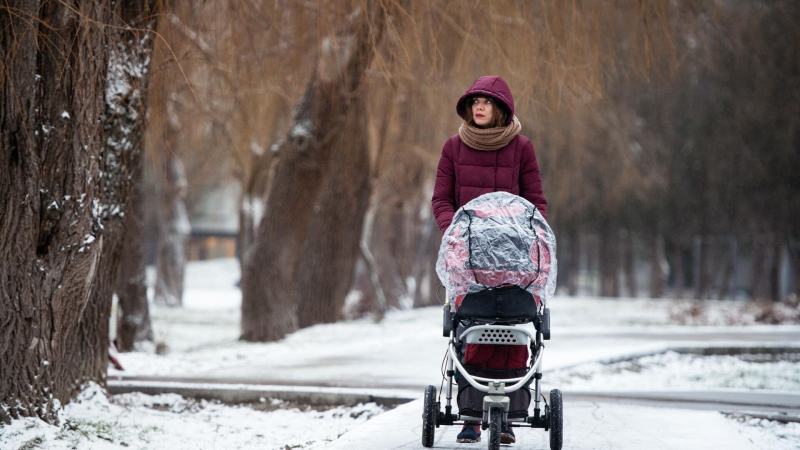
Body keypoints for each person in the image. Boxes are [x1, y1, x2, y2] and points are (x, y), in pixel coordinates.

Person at [431, 76, 548, 444]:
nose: (478, 108)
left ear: (501, 108)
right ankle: (470, 415)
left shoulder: (522, 148)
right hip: (467, 255)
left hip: (513, 255)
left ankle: (510, 414)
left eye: (486, 102)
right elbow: (441, 199)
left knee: (512, 324)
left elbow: (535, 203)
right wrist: (456, 234)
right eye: (474, 102)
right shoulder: (453, 148)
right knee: (472, 324)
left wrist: (532, 240)